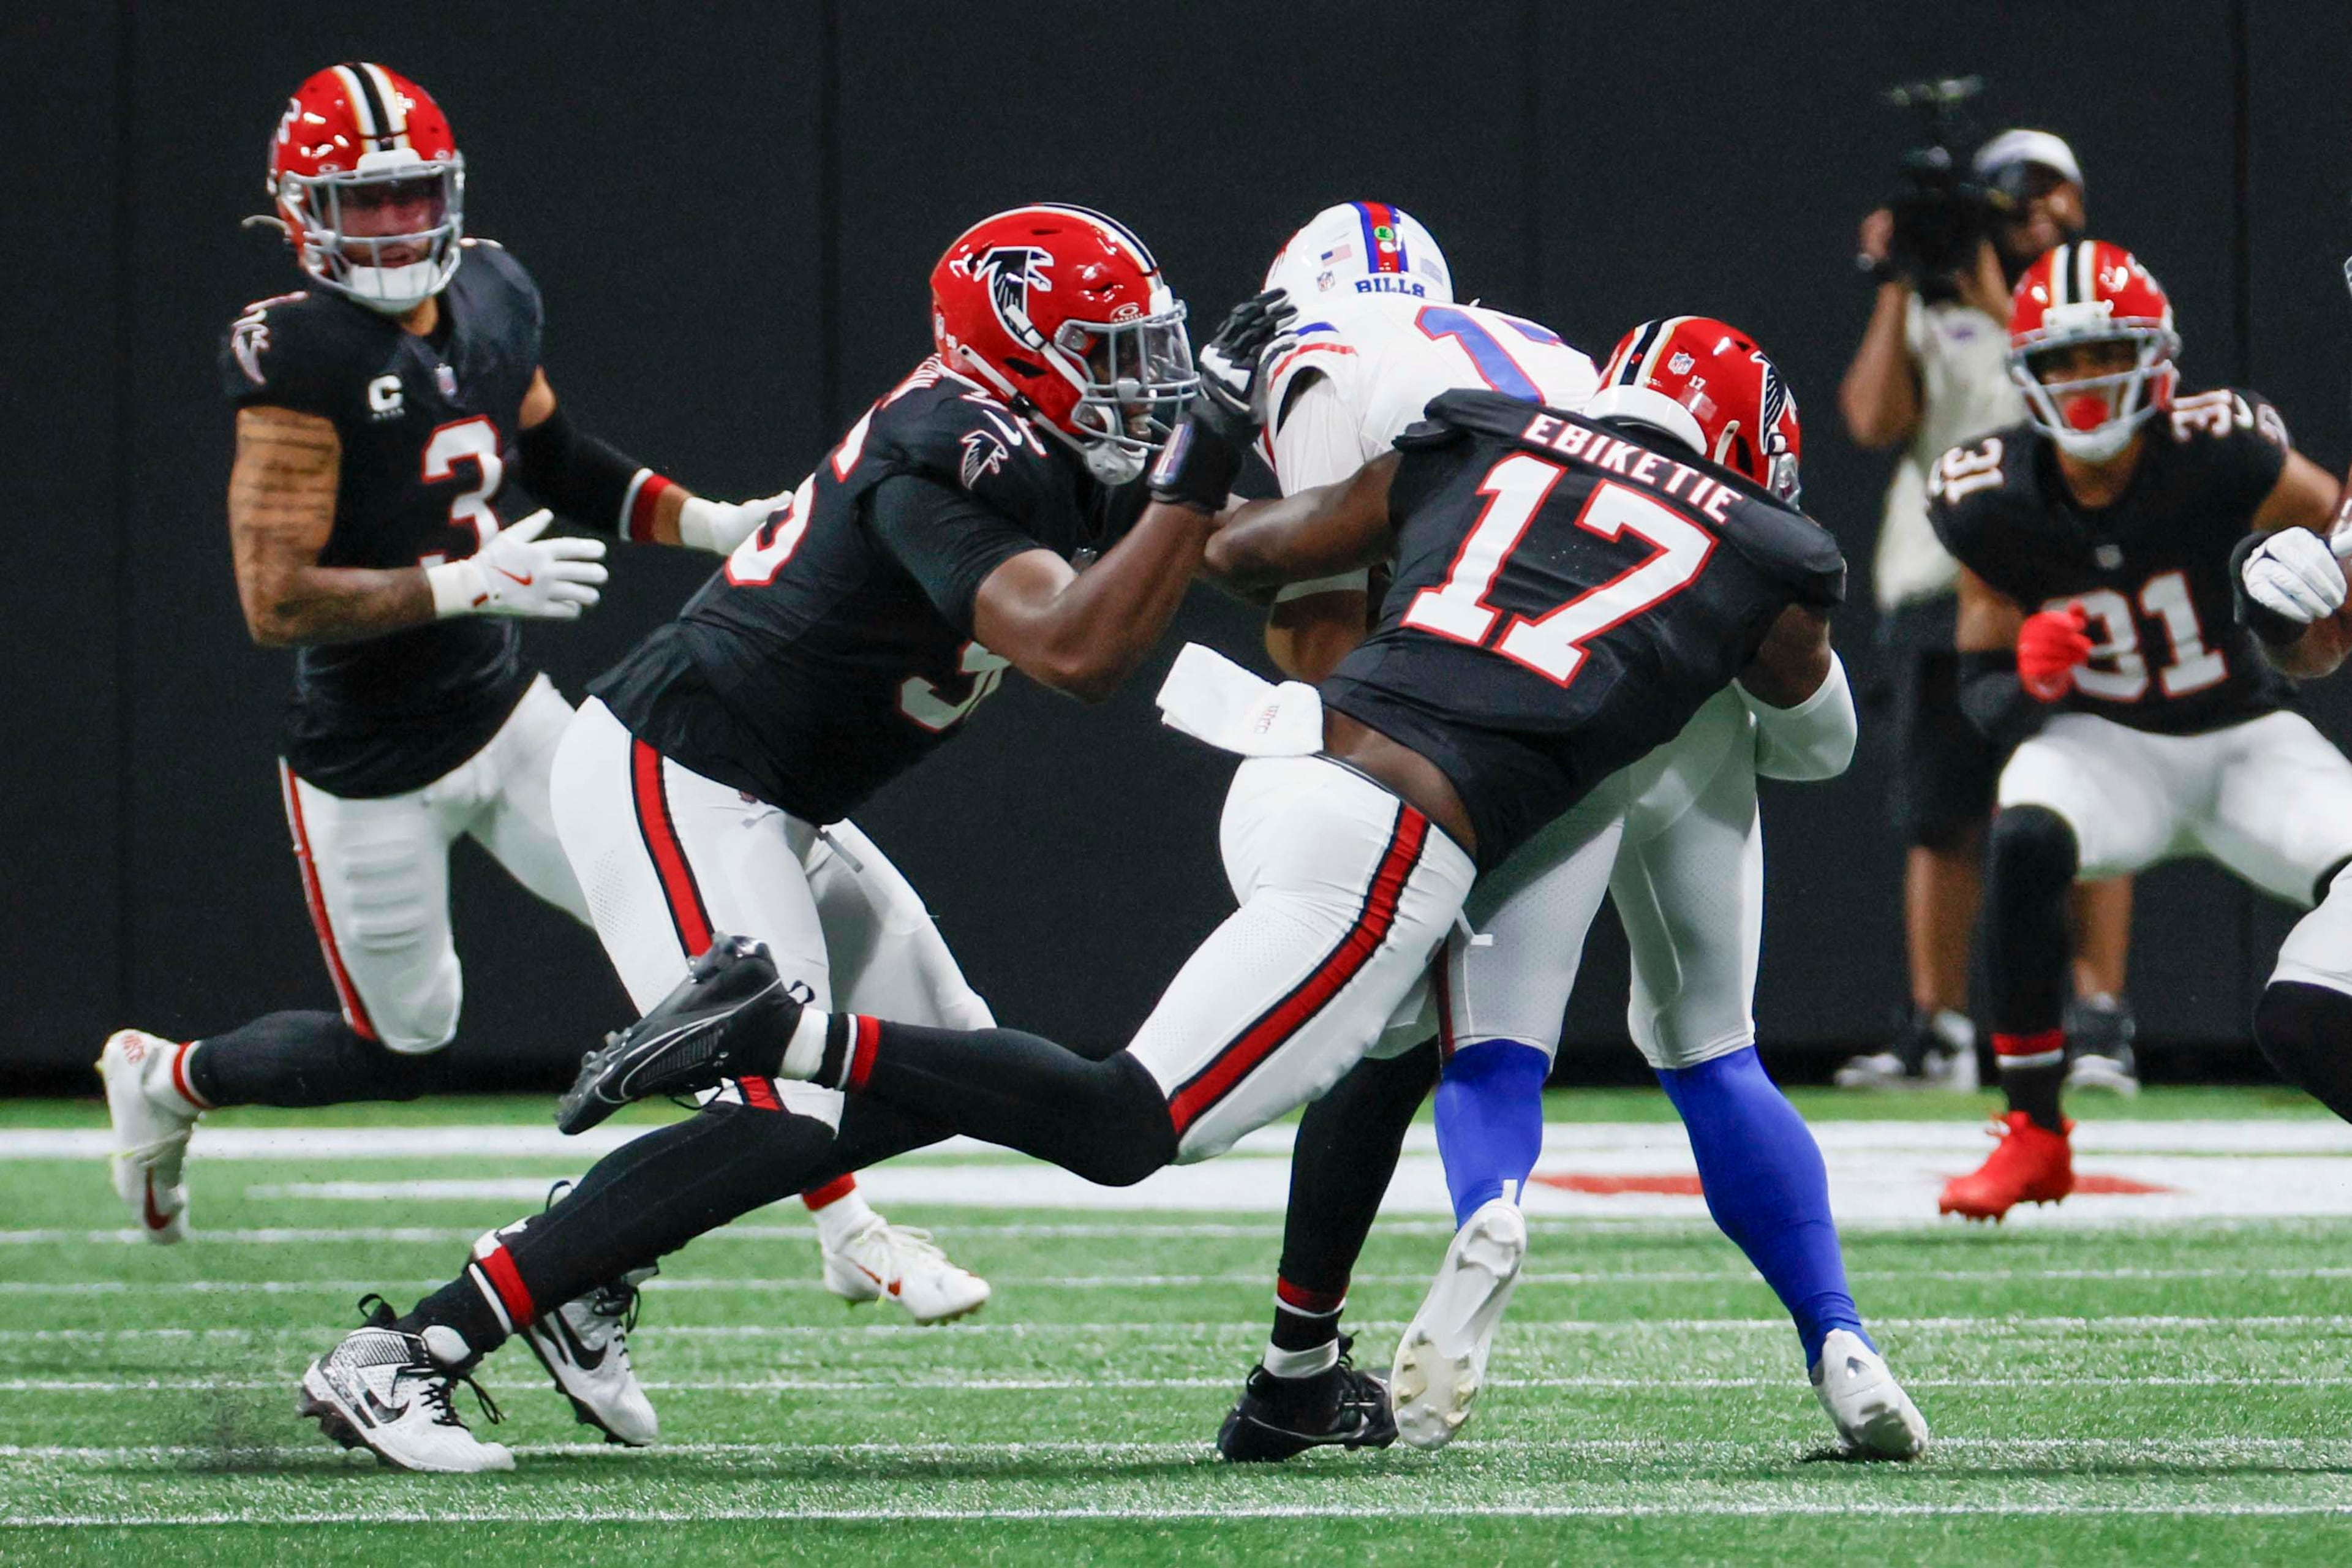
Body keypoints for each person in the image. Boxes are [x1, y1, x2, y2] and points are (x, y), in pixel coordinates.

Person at [554, 315, 1890, 1457]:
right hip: (1398, 841)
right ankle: (773, 1025)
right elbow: (1817, 738)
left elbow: (1252, 549)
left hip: (1281, 759)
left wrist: (1185, 487)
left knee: (1389, 1039)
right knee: (1138, 1116)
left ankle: (1300, 1375)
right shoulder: (1770, 547)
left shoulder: (1480, 429)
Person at [292, 202, 1297, 1472]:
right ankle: (409, 1351)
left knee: (946, 1068)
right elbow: (1080, 648)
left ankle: (594, 1256)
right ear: (1014, 353)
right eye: (1108, 353)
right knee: (783, 1112)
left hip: (773, 795)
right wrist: (1205, 450)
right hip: (680, 767)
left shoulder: (1035, 431)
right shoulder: (953, 445)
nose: (1142, 385)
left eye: (1151, 352)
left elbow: (1212, 544)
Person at [95, 60, 986, 1446]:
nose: (392, 233)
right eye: (361, 206)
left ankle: (841, 1221)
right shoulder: (299, 354)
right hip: (367, 757)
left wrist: (705, 524)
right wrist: (457, 587)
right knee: (406, 1041)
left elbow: (559, 454)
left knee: (716, 971)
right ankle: (169, 1074)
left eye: (409, 201)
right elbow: (273, 598)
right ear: (300, 216)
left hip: (514, 720)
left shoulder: (495, 293)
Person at [1201, 206, 1918, 1461]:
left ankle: (1491, 1206)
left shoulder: (1394, 382)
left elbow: (1314, 588)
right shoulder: (1564, 374)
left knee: (1490, 1050)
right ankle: (1839, 1336)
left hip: (1545, 716)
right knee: (1715, 1051)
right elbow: (1825, 746)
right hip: (1691, 720)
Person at [1931, 239, 2350, 1221]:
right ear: (2025, 371)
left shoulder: (2229, 450)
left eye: (2105, 355)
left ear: (2159, 359)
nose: (2084, 383)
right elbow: (1980, 685)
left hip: (2246, 737)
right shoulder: (1989, 496)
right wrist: (2027, 677)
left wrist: (2285, 598)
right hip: (2105, 746)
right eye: (2064, 360)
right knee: (2026, 830)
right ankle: (2034, 1129)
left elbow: (2333, 590)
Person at [1837, 128, 2139, 1093]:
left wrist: (1998, 304)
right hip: (1945, 572)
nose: (2034, 210)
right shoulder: (1941, 303)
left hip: (2071, 571)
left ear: (2081, 202)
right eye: (2015, 195)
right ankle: (1939, 1027)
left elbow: (2084, 401)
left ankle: (2097, 1020)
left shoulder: (2106, 302)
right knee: (1942, 814)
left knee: (2092, 800)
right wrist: (1900, 279)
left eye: (2052, 191)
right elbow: (1873, 421)